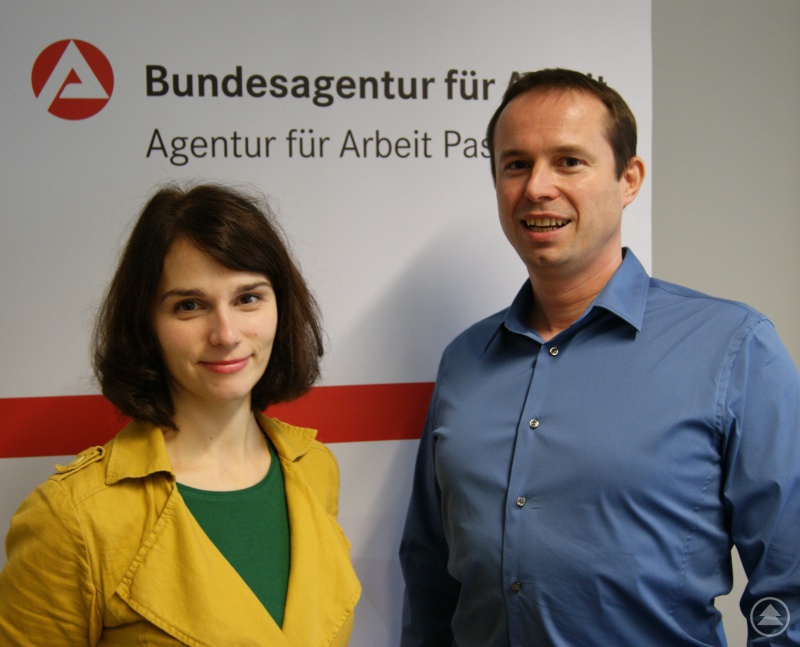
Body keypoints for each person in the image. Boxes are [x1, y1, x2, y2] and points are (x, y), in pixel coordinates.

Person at [399, 69, 800, 646]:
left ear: (628, 178)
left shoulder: (733, 348)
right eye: (516, 164)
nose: (538, 187)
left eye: (569, 161)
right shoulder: (465, 360)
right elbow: (431, 574)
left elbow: (790, 584)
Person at [0, 183, 361, 645]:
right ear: (145, 324)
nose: (226, 334)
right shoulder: (70, 518)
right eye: (189, 306)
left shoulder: (314, 468)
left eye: (248, 297)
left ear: (281, 308)